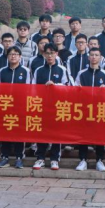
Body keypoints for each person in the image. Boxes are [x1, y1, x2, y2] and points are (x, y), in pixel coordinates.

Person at [32, 43, 71, 171]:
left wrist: (55, 85)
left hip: (57, 106)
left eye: (52, 53)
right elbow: (32, 88)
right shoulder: (38, 70)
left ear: (56, 54)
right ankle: (40, 158)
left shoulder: (62, 69)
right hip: (41, 105)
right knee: (41, 133)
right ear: (44, 54)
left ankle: (54, 159)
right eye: (47, 53)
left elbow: (68, 86)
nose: (50, 56)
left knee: (56, 133)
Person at [75, 48, 105, 171]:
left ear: (100, 58)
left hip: (99, 109)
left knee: (100, 135)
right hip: (84, 109)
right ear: (88, 57)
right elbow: (75, 89)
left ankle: (99, 160)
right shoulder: (81, 73)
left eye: (96, 55)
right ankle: (83, 160)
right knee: (83, 135)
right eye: (92, 55)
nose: (94, 57)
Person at [0, 47, 31, 168]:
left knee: (19, 132)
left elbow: (29, 89)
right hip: (5, 106)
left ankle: (19, 157)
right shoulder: (2, 71)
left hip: (20, 107)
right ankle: (4, 157)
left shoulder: (26, 71)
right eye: (11, 54)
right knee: (5, 132)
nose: (13, 56)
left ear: (20, 57)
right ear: (7, 56)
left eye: (16, 54)